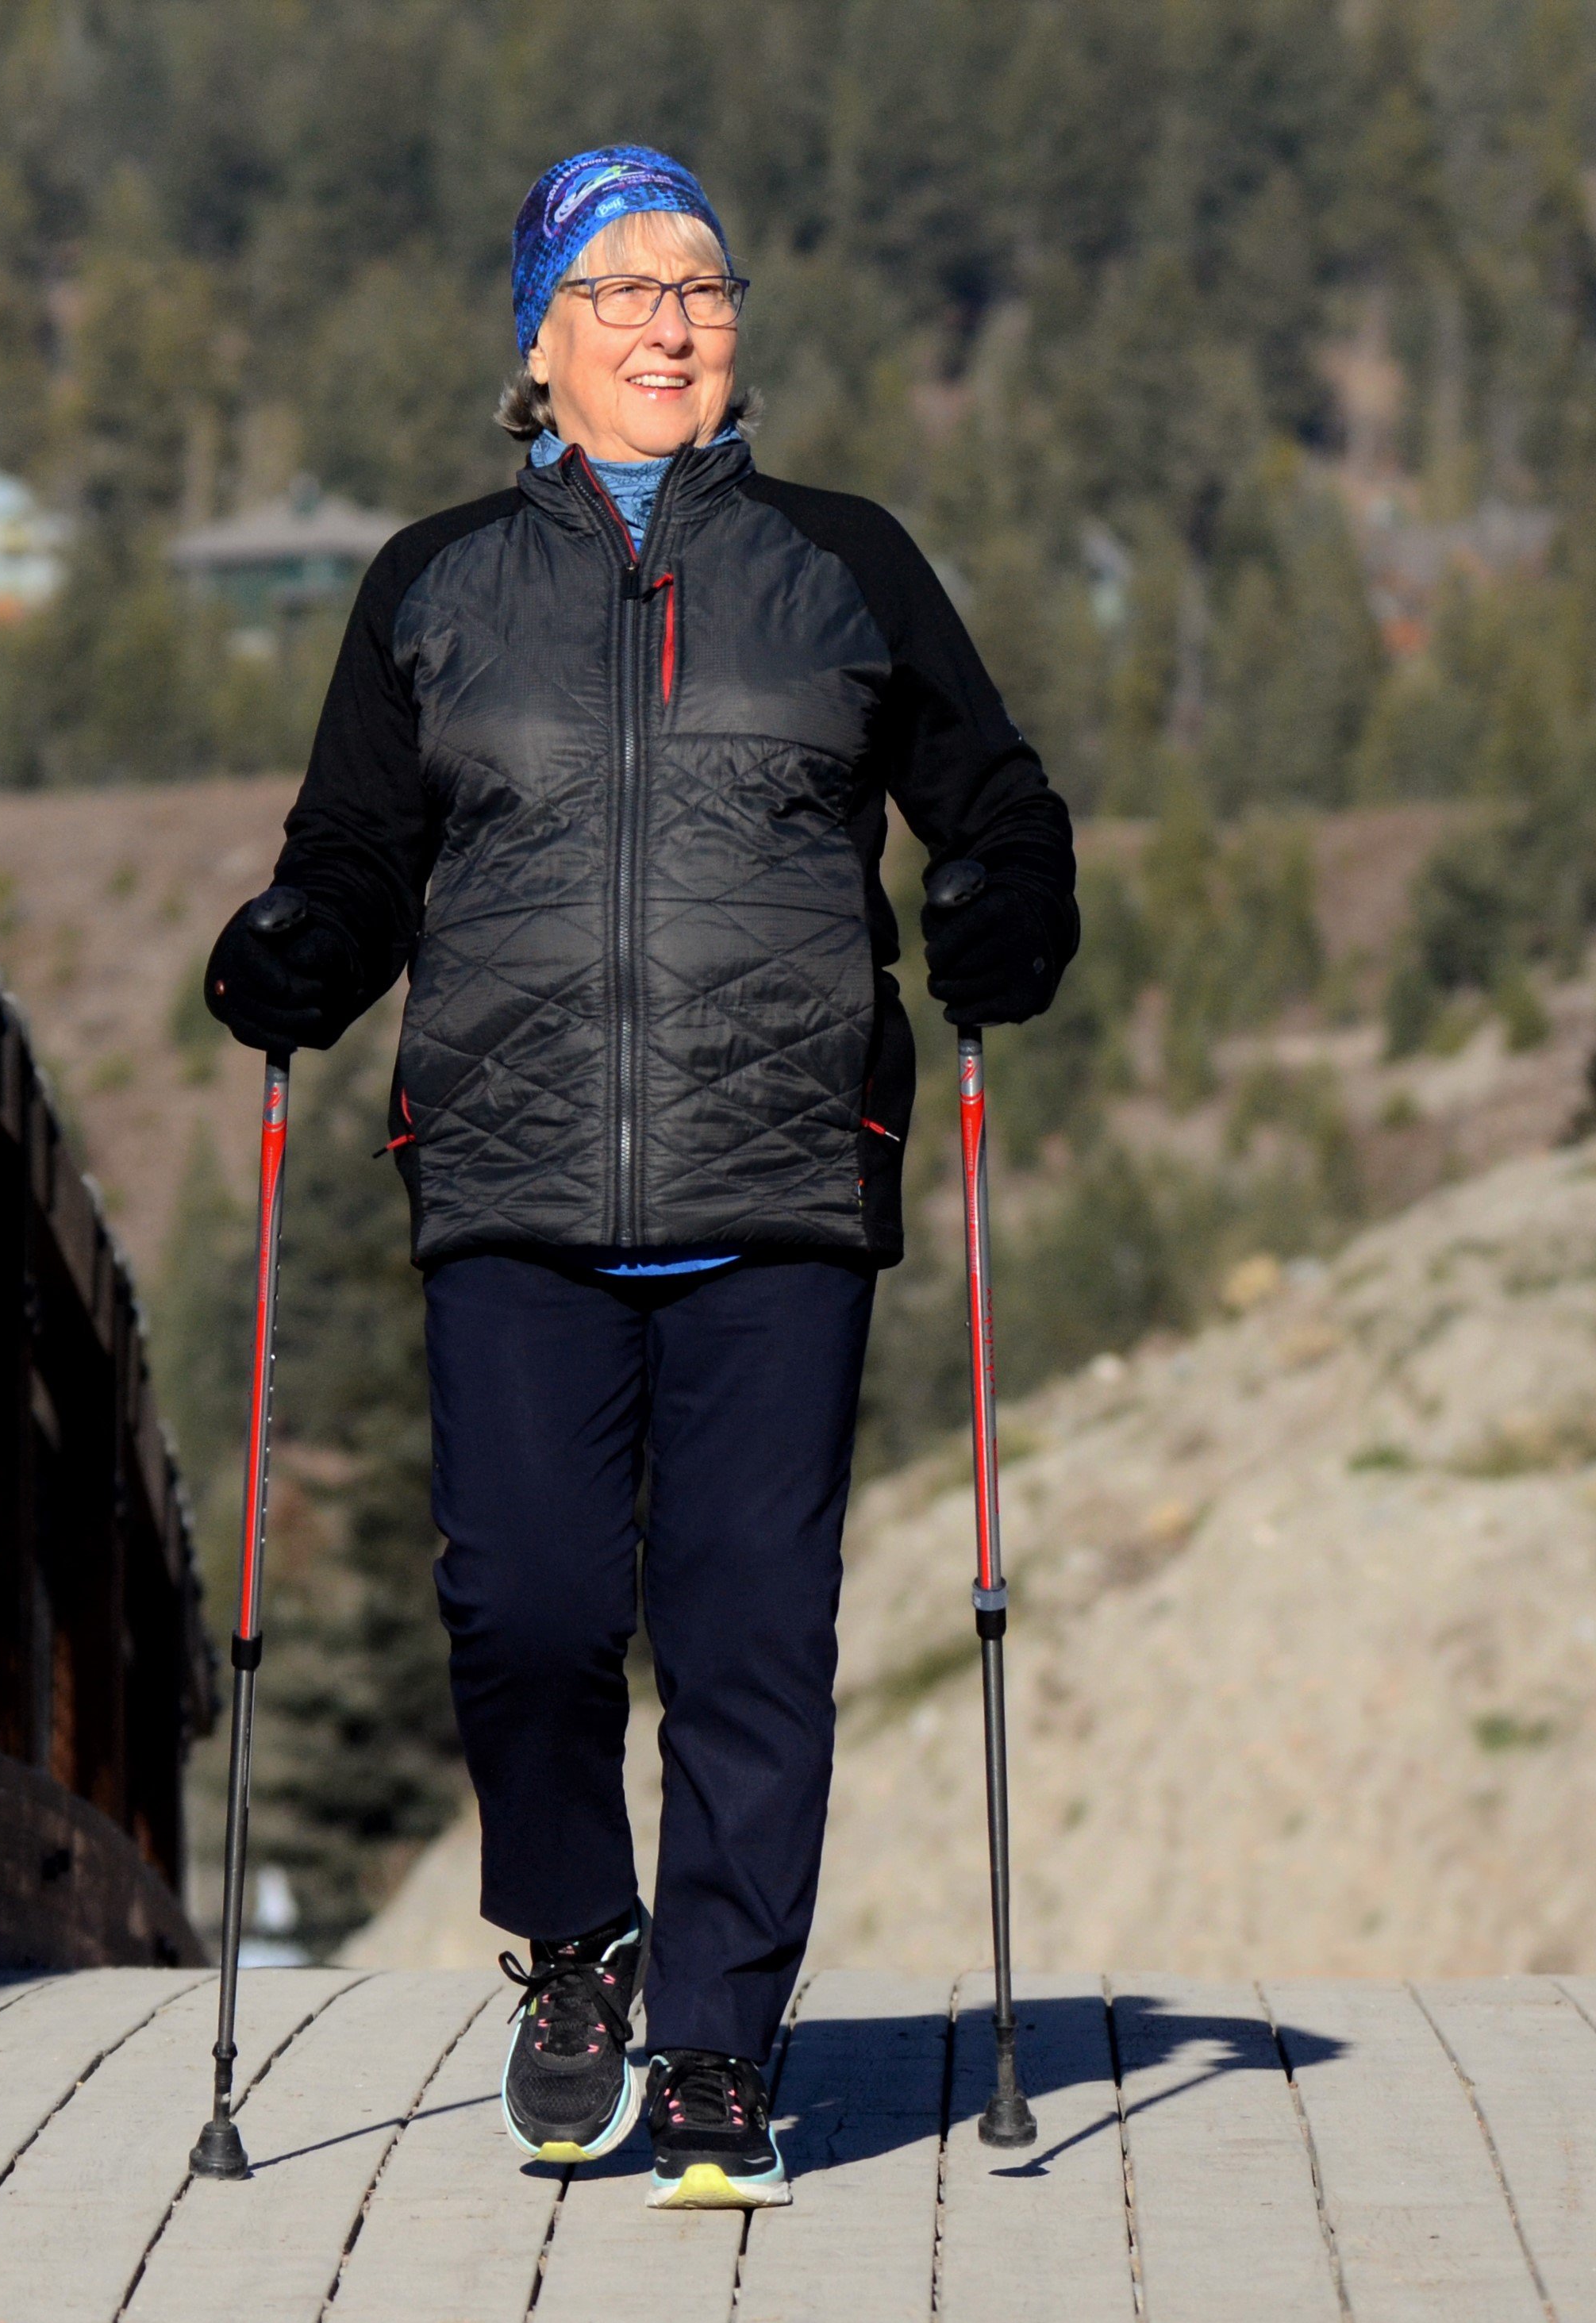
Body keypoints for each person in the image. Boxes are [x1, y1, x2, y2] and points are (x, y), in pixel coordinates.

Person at [204, 144, 1075, 2211]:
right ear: (538, 338)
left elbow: (996, 796)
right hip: (507, 1172)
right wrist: (302, 948)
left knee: (751, 1618)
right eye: (623, 290)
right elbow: (354, 850)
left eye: (701, 287)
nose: (671, 322)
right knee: (523, 1605)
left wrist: (1001, 898)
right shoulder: (429, 583)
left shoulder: (845, 560)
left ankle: (716, 2043)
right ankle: (578, 1956)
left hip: (779, 1167)